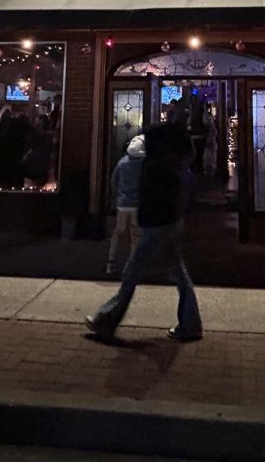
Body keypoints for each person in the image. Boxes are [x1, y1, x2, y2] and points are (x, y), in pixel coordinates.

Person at [86, 122, 202, 342]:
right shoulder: (173, 165)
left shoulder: (157, 166)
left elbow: (151, 196)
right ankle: (191, 323)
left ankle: (106, 320)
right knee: (179, 274)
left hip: (157, 226)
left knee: (131, 273)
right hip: (169, 223)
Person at [106, 134, 145, 275]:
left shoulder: (122, 162)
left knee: (118, 232)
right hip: (136, 204)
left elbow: (113, 181)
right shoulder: (143, 163)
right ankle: (131, 266)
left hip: (122, 204)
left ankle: (110, 262)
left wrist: (118, 195)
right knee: (135, 235)